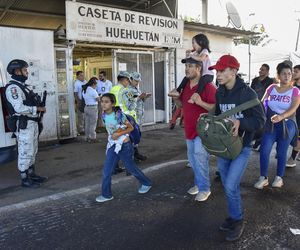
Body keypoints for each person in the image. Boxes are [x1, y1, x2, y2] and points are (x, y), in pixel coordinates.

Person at [210, 55, 265, 241]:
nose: (218, 74)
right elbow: (218, 116)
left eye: (221, 70)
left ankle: (238, 219)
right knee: (227, 186)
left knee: (231, 185)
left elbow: (260, 121)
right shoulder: (220, 93)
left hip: (242, 147)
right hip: (224, 147)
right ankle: (233, 216)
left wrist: (239, 122)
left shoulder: (247, 93)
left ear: (233, 71)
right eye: (217, 71)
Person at [172, 57, 216, 202]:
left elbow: (216, 108)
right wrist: (175, 98)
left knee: (200, 157)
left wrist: (200, 101)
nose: (187, 69)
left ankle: (205, 189)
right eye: (186, 66)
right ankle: (198, 184)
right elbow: (182, 105)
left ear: (199, 68)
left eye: (190, 66)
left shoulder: (208, 87)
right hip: (189, 130)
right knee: (193, 160)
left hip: (203, 130)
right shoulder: (185, 86)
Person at [95, 93, 152, 203]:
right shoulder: (103, 114)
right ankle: (106, 195)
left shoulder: (118, 114)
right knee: (107, 170)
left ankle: (146, 183)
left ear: (113, 104)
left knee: (130, 168)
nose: (103, 104)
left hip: (124, 145)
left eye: (106, 102)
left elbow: (130, 128)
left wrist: (118, 134)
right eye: (102, 101)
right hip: (113, 145)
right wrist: (114, 135)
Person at [255, 62, 300, 189]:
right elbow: (263, 103)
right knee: (264, 149)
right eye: (284, 74)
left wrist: (281, 116)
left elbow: (293, 108)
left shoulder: (295, 90)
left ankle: (279, 177)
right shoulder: (271, 88)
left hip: (287, 123)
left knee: (281, 151)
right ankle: (263, 177)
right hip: (271, 122)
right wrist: (263, 114)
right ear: (278, 75)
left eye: (289, 74)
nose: (287, 76)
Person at [4, 59, 47, 188]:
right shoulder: (13, 88)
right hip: (24, 124)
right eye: (24, 70)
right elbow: (19, 108)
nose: (27, 72)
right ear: (17, 71)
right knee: (25, 151)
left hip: (32, 123)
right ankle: (24, 178)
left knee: (33, 149)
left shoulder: (23, 86)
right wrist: (37, 109)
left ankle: (31, 174)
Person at [168, 33, 214, 104]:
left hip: (208, 74)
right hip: (203, 74)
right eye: (186, 66)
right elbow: (189, 58)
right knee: (185, 78)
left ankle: (195, 97)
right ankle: (178, 90)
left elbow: (201, 59)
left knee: (201, 83)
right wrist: (188, 55)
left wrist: (191, 55)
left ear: (200, 42)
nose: (192, 45)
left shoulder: (205, 51)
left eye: (193, 43)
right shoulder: (196, 53)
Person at [128, 72, 151, 161]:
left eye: (138, 81)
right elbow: (130, 102)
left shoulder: (136, 89)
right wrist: (139, 97)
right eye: (135, 81)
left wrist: (144, 97)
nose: (137, 82)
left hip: (139, 115)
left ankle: (135, 153)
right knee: (133, 135)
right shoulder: (128, 90)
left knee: (137, 135)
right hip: (133, 116)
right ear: (131, 79)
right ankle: (133, 155)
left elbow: (140, 101)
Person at [251, 64, 274, 151]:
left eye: (263, 70)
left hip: (264, 106)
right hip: (254, 104)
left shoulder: (270, 81)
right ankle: (255, 140)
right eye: (260, 69)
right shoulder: (255, 80)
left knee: (263, 125)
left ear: (267, 72)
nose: (260, 71)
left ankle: (259, 143)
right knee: (255, 123)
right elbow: (251, 91)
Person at [286, 64, 300, 167]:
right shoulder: (291, 85)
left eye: (296, 71)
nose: (293, 73)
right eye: (293, 71)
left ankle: (293, 158)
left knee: (298, 137)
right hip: (290, 115)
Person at [82, 77, 100, 143]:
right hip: (93, 108)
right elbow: (98, 99)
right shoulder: (93, 90)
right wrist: (99, 97)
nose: (96, 86)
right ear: (93, 84)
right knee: (93, 123)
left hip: (86, 107)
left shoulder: (85, 89)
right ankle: (93, 138)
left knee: (87, 123)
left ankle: (87, 137)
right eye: (96, 84)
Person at [74, 71, 87, 135]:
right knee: (80, 116)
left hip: (86, 101)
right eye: (81, 75)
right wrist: (78, 101)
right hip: (80, 101)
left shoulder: (85, 82)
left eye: (83, 75)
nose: (82, 77)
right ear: (77, 76)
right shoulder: (77, 83)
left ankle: (85, 128)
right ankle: (81, 129)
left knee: (85, 116)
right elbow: (75, 93)